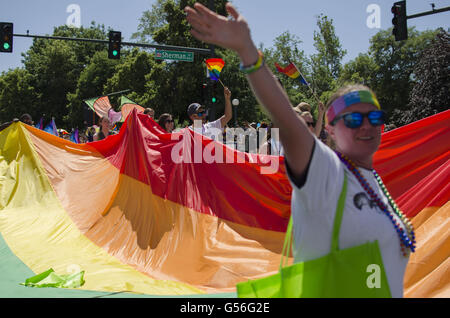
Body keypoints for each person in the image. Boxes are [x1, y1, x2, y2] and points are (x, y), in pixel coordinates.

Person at [185, 2, 415, 297]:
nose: (366, 126)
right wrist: (249, 52)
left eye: (374, 117)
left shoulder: (375, 182)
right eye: (354, 119)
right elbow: (287, 120)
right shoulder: (326, 171)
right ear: (330, 129)